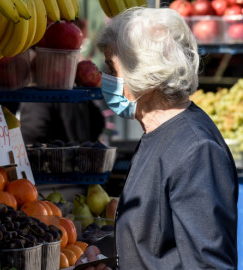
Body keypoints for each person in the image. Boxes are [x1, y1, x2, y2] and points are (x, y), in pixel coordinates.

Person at [76, 7, 238, 270]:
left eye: (111, 67)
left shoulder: (197, 150)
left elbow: (207, 264)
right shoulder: (157, 133)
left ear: (146, 75)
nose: (105, 78)